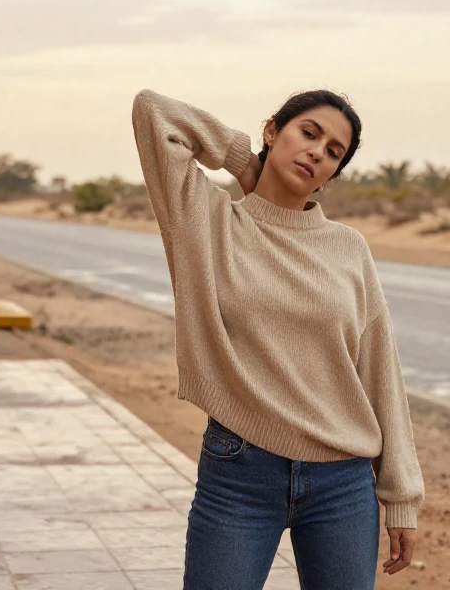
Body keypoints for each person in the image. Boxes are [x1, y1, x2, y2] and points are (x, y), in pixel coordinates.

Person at [131, 88, 424, 590]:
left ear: (334, 174)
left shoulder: (348, 248)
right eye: (308, 133)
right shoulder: (206, 220)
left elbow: (379, 369)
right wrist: (243, 161)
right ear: (273, 130)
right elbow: (153, 113)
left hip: (343, 483)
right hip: (239, 474)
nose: (317, 152)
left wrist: (400, 495)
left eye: (333, 151)